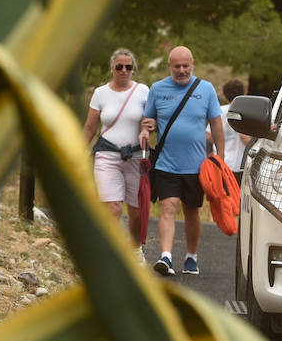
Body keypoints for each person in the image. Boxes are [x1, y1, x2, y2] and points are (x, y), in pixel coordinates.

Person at [139, 46, 225, 276]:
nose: (181, 70)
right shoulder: (158, 89)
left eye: (185, 66)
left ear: (192, 64)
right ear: (170, 66)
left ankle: (191, 256)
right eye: (177, 66)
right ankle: (166, 257)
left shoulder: (206, 89)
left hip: (197, 166)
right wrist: (147, 130)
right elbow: (149, 120)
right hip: (166, 163)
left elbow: (217, 124)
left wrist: (220, 159)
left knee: (191, 211)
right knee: (168, 206)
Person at [84, 48, 150, 260]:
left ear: (133, 69)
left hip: (135, 156)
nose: (124, 70)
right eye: (119, 66)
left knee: (136, 211)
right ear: (112, 68)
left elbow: (149, 121)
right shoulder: (100, 93)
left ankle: (135, 250)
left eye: (128, 67)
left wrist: (145, 130)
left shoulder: (143, 91)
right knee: (112, 208)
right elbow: (90, 128)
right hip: (107, 155)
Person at [209, 78, 251, 186]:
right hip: (241, 164)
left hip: (221, 162)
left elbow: (209, 136)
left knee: (224, 198)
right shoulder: (247, 110)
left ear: (224, 94)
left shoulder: (218, 111)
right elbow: (244, 137)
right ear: (244, 92)